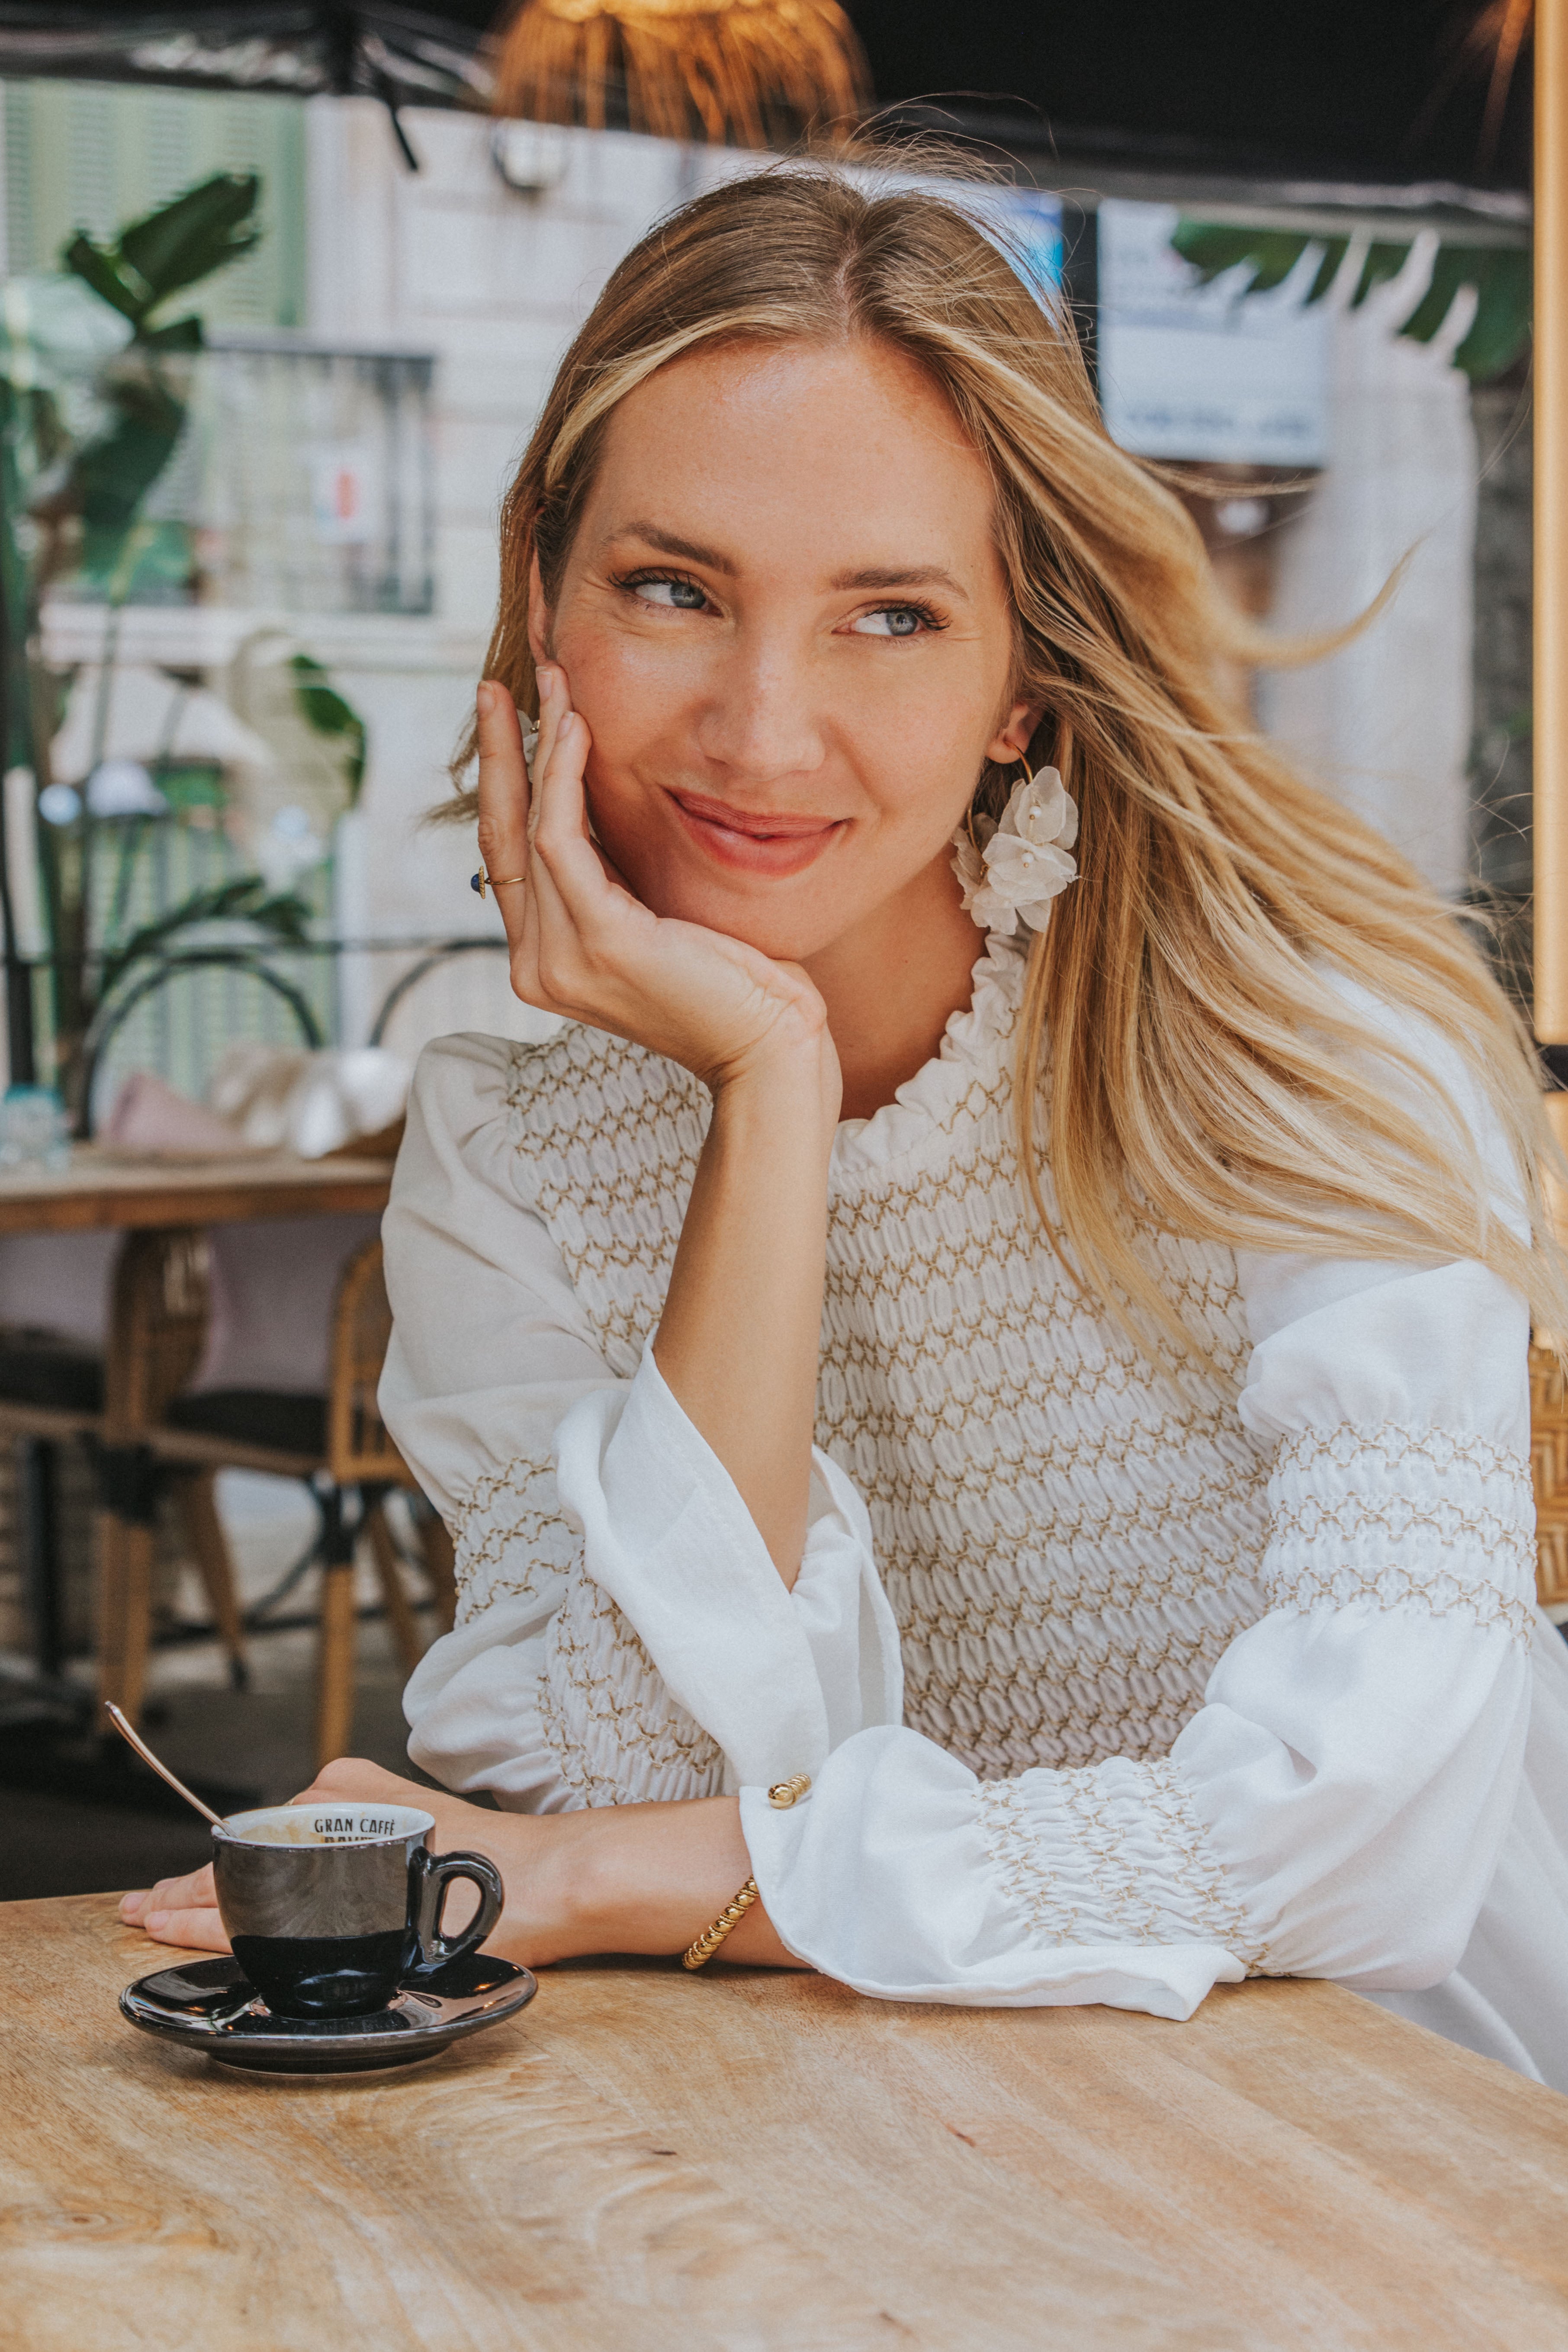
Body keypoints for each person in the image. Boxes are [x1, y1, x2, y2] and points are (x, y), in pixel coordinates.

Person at [123, 162, 1568, 2088]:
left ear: (1023, 685)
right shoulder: (516, 1157)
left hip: (1397, 2118)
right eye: (669, 589)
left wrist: (630, 1877)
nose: (761, 729)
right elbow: (629, 1775)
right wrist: (765, 1089)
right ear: (542, 607)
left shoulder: (1300, 1056)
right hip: (871, 2115)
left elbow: (1362, 1834)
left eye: (890, 614)